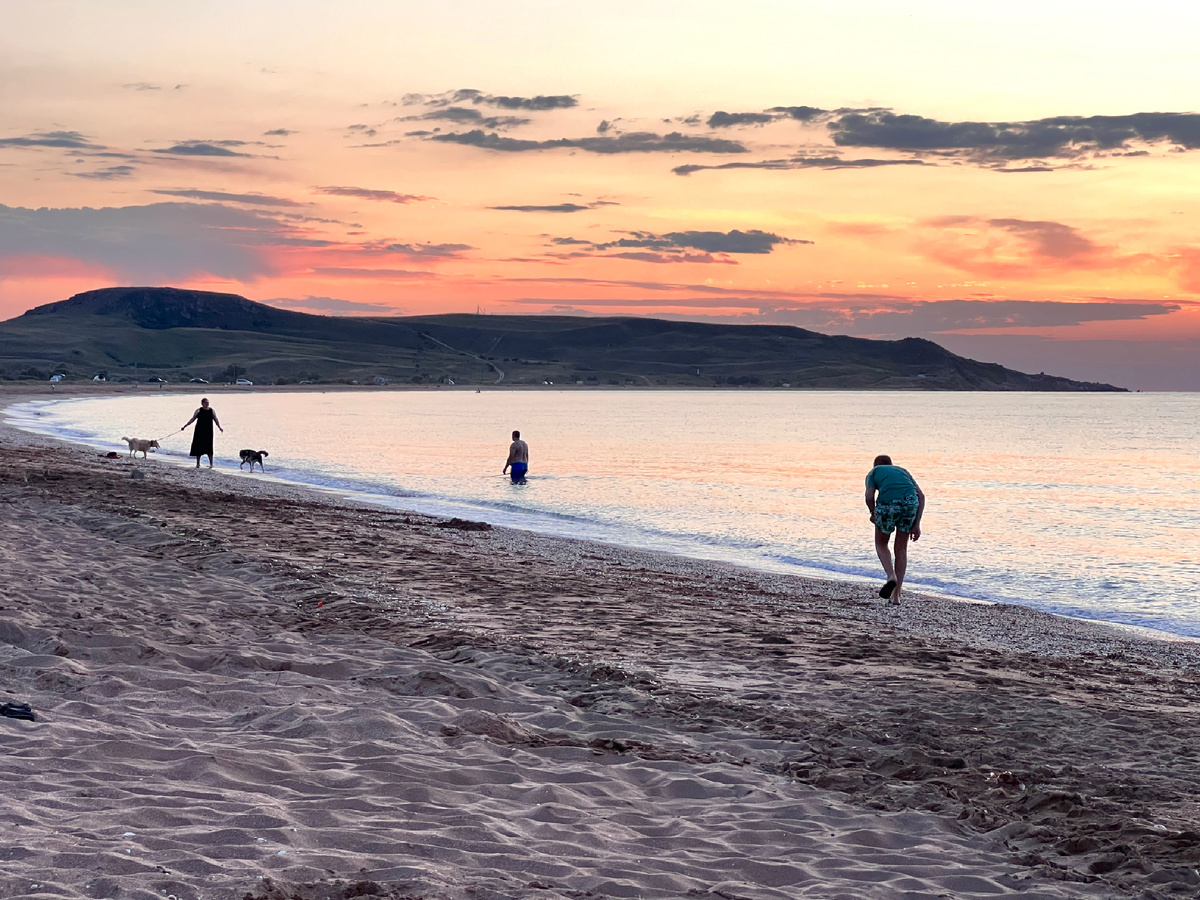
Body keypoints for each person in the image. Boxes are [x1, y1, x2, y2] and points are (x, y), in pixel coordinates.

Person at [865, 454, 924, 605]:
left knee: (881, 544)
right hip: (910, 504)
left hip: (887, 505)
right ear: (892, 464)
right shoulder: (903, 471)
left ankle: (891, 576)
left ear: (874, 465)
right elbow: (921, 496)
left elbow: (869, 496)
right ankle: (896, 596)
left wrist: (873, 513)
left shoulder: (874, 472)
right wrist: (917, 524)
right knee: (901, 549)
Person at [181, 397, 223, 469]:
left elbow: (216, 419)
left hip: (209, 432)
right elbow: (192, 419)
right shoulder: (198, 411)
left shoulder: (211, 410)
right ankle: (198, 464)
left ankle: (211, 464)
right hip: (199, 431)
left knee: (209, 448)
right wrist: (185, 426)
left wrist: (219, 427)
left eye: (208, 403)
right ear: (202, 403)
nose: (207, 404)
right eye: (206, 403)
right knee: (198, 448)